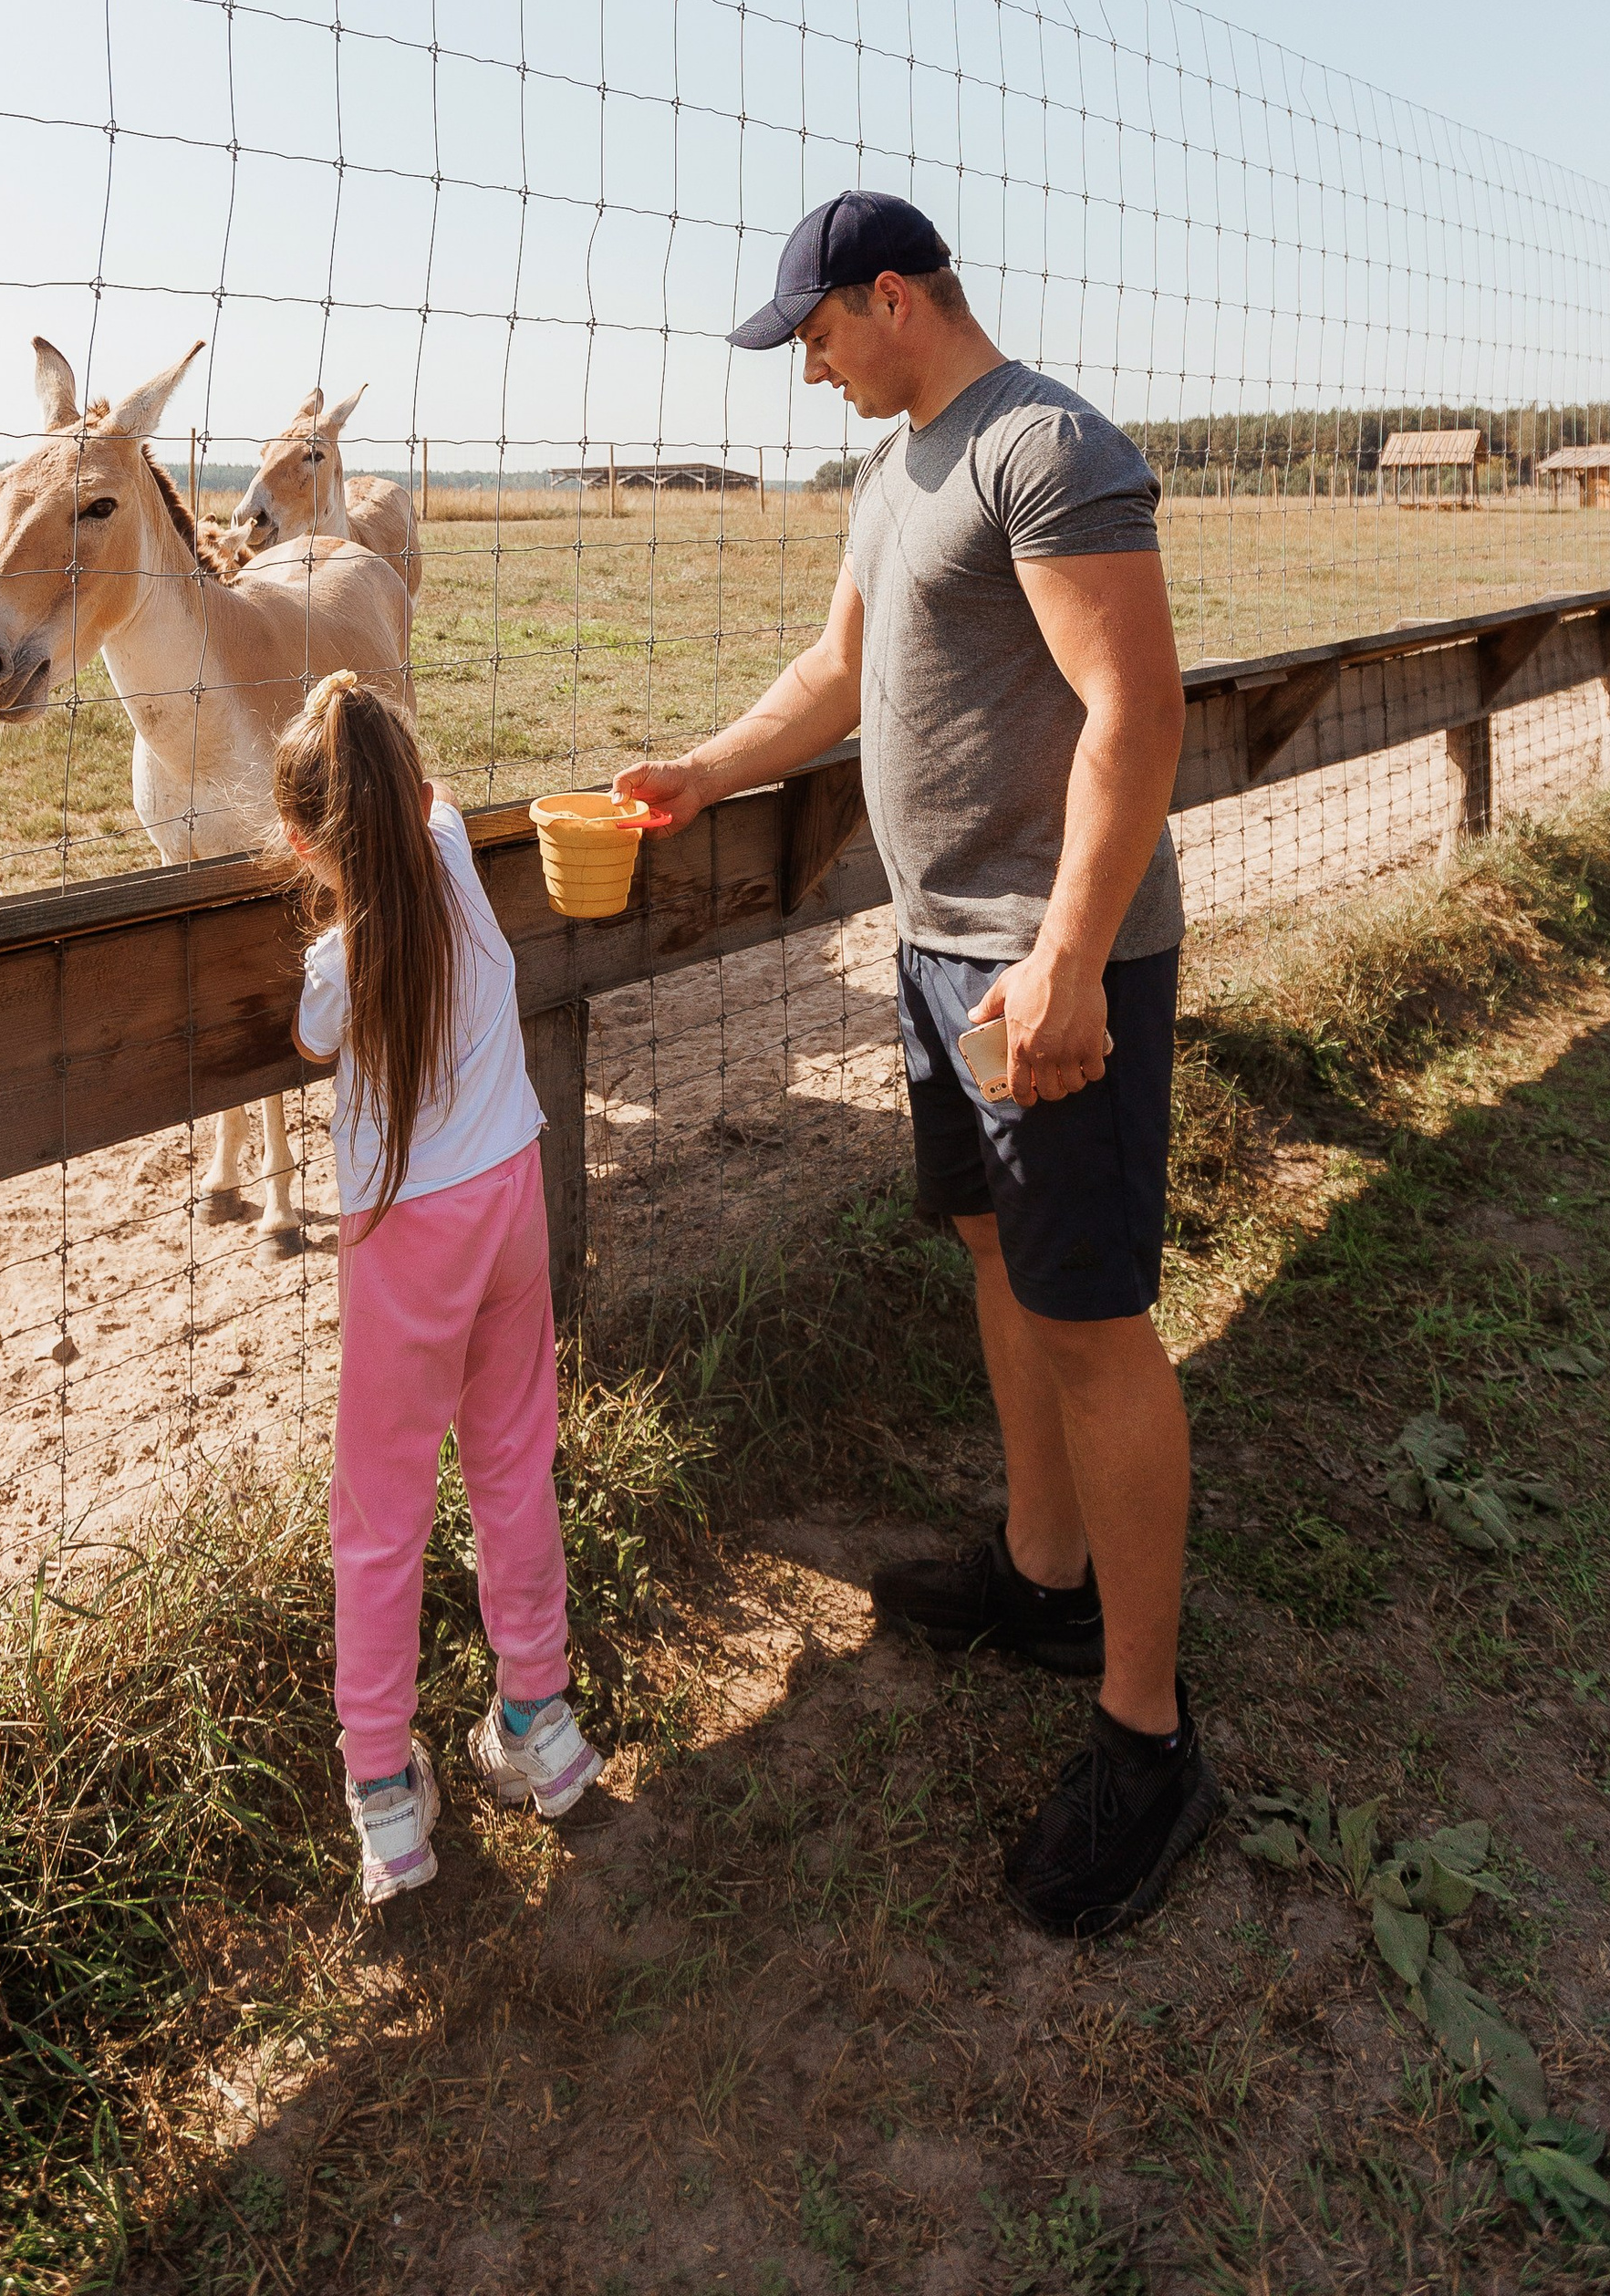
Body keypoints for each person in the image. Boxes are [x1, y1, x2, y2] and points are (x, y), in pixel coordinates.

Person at [615, 192, 1219, 1938]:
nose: (807, 370)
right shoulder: (895, 474)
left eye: (816, 335)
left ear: (895, 296)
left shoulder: (1047, 445)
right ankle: (1043, 1574)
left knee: (1095, 1319)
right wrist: (706, 771)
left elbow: (1137, 712)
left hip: (1050, 969)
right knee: (994, 1255)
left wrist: (1071, 963)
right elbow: (841, 668)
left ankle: (1148, 1736)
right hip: (940, 953)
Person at [275, 668, 605, 1904]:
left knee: (380, 1513)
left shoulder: (335, 969)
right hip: (511, 1195)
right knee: (514, 1461)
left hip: (408, 1236)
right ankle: (540, 1723)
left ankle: (382, 1790)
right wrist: (361, 704)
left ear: (302, 844)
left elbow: (312, 1040)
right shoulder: (457, 862)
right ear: (418, 800)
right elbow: (434, 797)